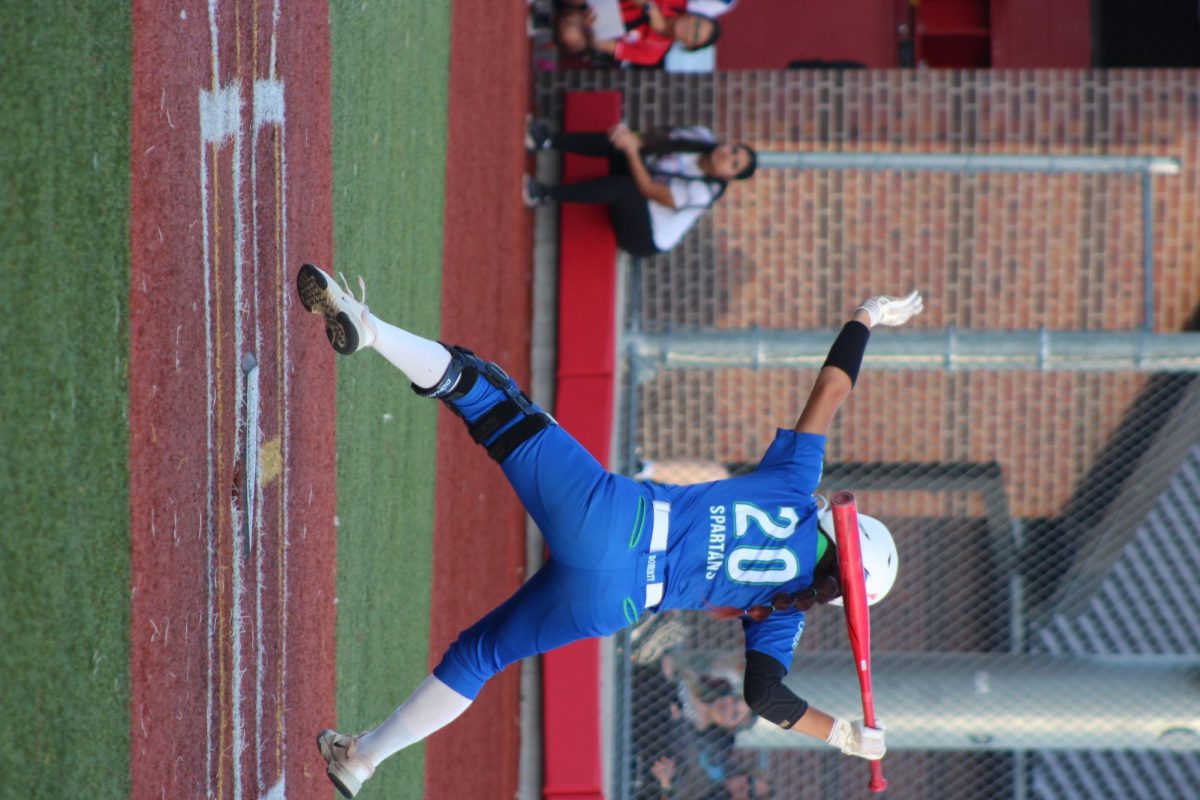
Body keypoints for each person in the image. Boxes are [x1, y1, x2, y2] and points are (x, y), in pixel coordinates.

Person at [296, 262, 923, 797]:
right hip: (614, 603)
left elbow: (833, 387)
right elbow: (765, 696)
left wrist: (866, 315)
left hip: (614, 520)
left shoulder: (793, 485)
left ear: (842, 530)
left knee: (486, 394)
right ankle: (363, 758)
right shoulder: (783, 612)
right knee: (481, 655)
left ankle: (371, 330)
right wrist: (840, 734)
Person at [523, 120, 757, 257]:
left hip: (646, 233)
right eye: (734, 150)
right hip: (642, 180)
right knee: (622, 143)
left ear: (728, 176)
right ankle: (546, 140)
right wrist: (632, 139)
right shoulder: (701, 137)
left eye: (734, 164)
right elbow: (654, 140)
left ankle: (543, 194)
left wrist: (632, 150)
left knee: (627, 188)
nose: (728, 156)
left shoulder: (703, 193)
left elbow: (647, 189)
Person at [555, 0, 721, 68]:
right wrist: (650, 9)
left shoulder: (654, 54)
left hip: (591, 24)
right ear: (692, 15)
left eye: (696, 35)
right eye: (697, 23)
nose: (692, 29)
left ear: (688, 45)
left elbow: (603, 46)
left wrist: (592, 29)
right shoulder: (676, 1)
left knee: (570, 35)